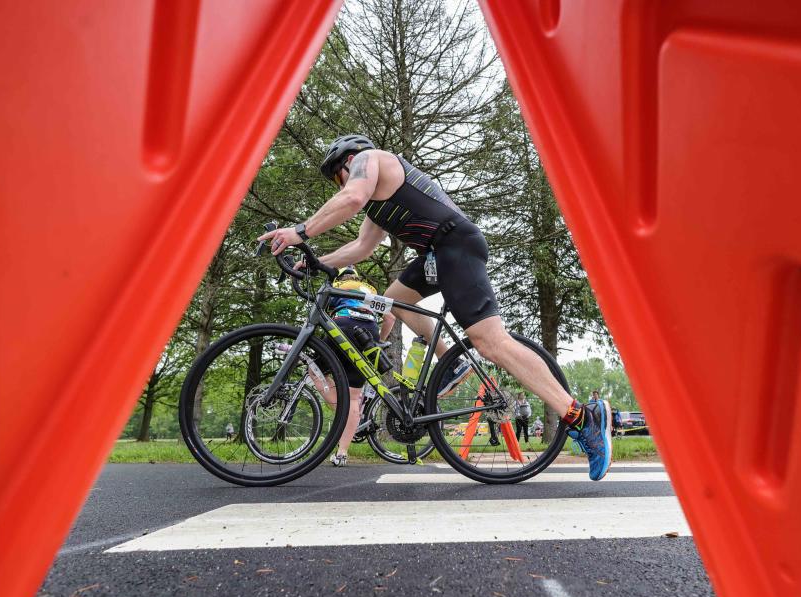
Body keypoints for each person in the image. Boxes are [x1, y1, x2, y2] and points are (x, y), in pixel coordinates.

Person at [258, 134, 611, 480]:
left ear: (349, 160)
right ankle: (452, 362)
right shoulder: (377, 201)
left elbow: (351, 196)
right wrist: (318, 262)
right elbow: (361, 247)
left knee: (491, 342)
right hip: (435, 255)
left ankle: (581, 417)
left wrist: (299, 232)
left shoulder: (372, 159)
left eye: (337, 176)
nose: (339, 186)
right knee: (394, 302)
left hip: (455, 246)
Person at [309, 266, 396, 467]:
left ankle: (342, 409)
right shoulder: (370, 290)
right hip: (369, 332)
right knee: (355, 397)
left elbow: (318, 313)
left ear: (338, 276)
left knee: (314, 370)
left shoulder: (337, 285)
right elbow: (390, 317)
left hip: (342, 324)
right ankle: (342, 453)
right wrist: (379, 342)